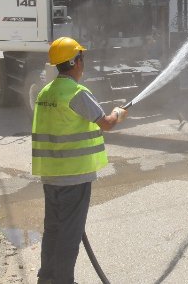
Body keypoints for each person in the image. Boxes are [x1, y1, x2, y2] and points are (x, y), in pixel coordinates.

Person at [32, 36, 128, 284]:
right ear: (75, 62)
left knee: (52, 231)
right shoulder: (76, 92)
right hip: (74, 178)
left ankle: (47, 278)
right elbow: (106, 123)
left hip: (51, 176)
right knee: (69, 236)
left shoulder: (45, 93)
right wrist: (118, 113)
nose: (83, 63)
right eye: (81, 58)